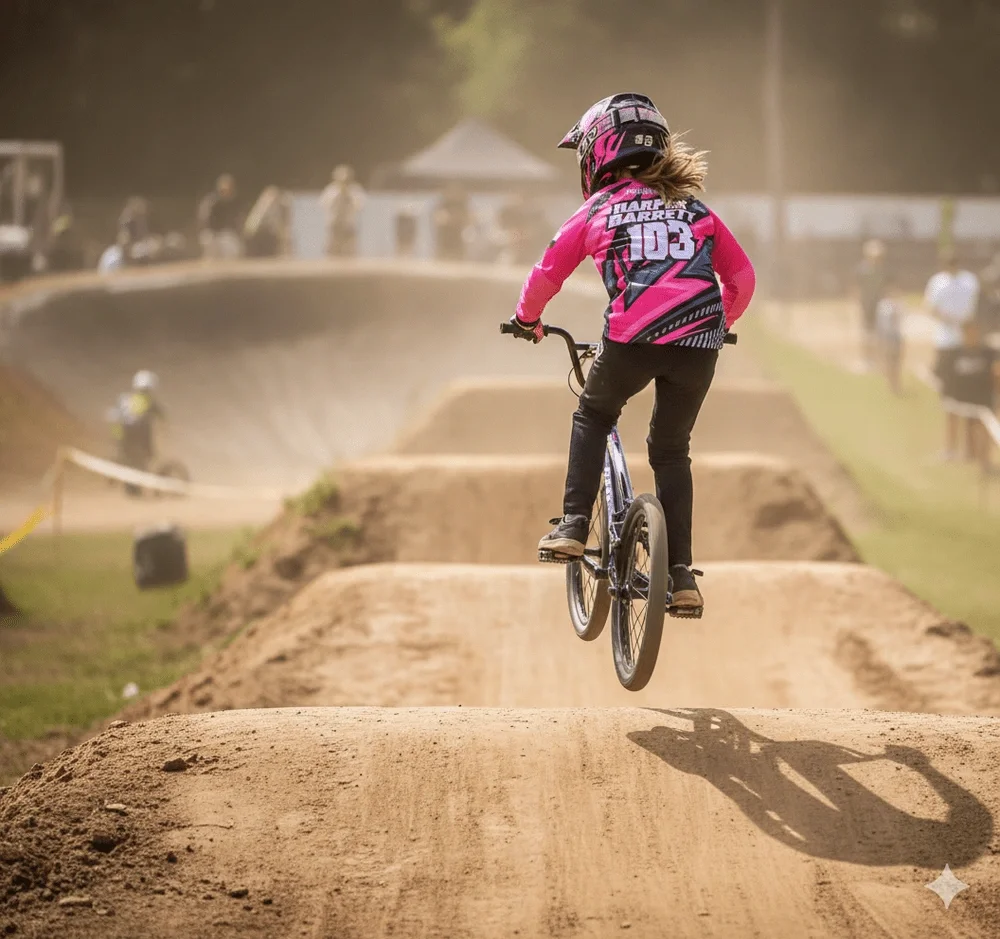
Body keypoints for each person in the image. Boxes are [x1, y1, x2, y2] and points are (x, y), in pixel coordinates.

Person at [507, 93, 755, 614]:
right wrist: (719, 323)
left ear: (598, 153)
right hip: (699, 344)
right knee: (670, 449)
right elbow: (741, 276)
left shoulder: (598, 208)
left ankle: (574, 524)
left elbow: (546, 272)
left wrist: (528, 320)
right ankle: (682, 575)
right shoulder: (695, 209)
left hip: (632, 338)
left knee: (593, 413)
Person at [924, 252, 980, 459]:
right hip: (947, 343)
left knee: (967, 398)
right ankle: (952, 448)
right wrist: (950, 318)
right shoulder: (938, 282)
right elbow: (932, 308)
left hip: (963, 343)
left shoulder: (968, 281)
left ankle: (968, 449)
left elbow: (974, 309)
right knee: (950, 397)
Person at [948, 322, 1000, 464]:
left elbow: (996, 372)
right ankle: (970, 456)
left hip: (984, 399)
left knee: (984, 429)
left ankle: (985, 459)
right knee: (969, 428)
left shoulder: (987, 352)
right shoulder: (957, 352)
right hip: (966, 398)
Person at [111, 371, 166, 491]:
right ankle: (138, 482)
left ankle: (128, 483)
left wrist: (116, 435)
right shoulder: (149, 401)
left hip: (123, 434)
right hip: (140, 434)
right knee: (146, 456)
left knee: (128, 458)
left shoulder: (125, 398)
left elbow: (116, 415)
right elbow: (161, 415)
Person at [320, 165, 365, 257]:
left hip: (349, 225)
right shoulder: (331, 190)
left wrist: (348, 195)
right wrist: (339, 195)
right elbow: (324, 204)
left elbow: (359, 206)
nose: (344, 182)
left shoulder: (355, 190)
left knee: (350, 252)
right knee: (332, 251)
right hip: (334, 225)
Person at [856, 239, 887, 368]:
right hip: (867, 304)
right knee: (868, 332)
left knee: (879, 332)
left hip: (879, 304)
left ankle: (878, 357)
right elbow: (856, 287)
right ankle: (868, 358)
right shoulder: (863, 270)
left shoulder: (881, 270)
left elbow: (884, 287)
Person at [198, 174, 242, 259]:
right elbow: (203, 221)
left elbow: (237, 222)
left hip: (226, 235)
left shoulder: (234, 203)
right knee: (208, 241)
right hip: (212, 234)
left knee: (234, 247)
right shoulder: (211, 202)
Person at [874, 279, 905, 394]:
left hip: (894, 337)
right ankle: (891, 384)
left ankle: (895, 384)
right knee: (890, 361)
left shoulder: (895, 305)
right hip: (889, 337)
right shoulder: (886, 306)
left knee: (895, 361)